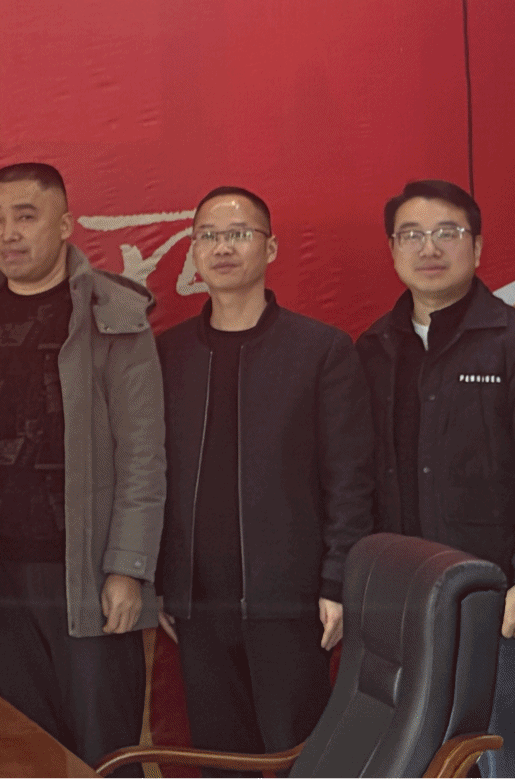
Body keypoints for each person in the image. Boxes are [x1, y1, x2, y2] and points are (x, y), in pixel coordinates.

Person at [0, 162, 164, 772]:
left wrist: (126, 568)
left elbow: (142, 454)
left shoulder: (112, 315)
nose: (8, 233)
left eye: (26, 217)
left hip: (86, 571)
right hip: (2, 573)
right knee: (29, 753)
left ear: (64, 225)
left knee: (105, 754)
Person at [357, 180, 515, 780]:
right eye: (411, 234)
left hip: (501, 600)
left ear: (478, 247)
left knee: (507, 750)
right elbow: (358, 478)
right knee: (418, 756)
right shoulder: (374, 350)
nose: (429, 247)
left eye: (447, 232)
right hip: (407, 601)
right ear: (393, 250)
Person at [156, 187, 373, 766]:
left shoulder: (320, 350)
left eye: (238, 234)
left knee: (296, 757)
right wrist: (163, 580)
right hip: (197, 605)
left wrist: (337, 582)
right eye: (208, 236)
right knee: (219, 760)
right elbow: (152, 475)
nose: (222, 247)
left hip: (291, 602)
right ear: (193, 251)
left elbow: (350, 479)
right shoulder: (168, 353)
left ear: (270, 248)